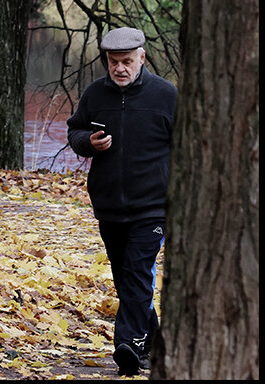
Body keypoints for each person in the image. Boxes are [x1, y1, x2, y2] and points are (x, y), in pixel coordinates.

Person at [67, 26, 176, 377]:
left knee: (138, 273)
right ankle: (155, 344)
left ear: (141, 58)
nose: (120, 68)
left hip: (153, 206)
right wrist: (88, 143)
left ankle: (128, 343)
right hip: (109, 204)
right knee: (124, 277)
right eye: (114, 62)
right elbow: (75, 130)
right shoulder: (95, 94)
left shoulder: (166, 95)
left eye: (127, 61)